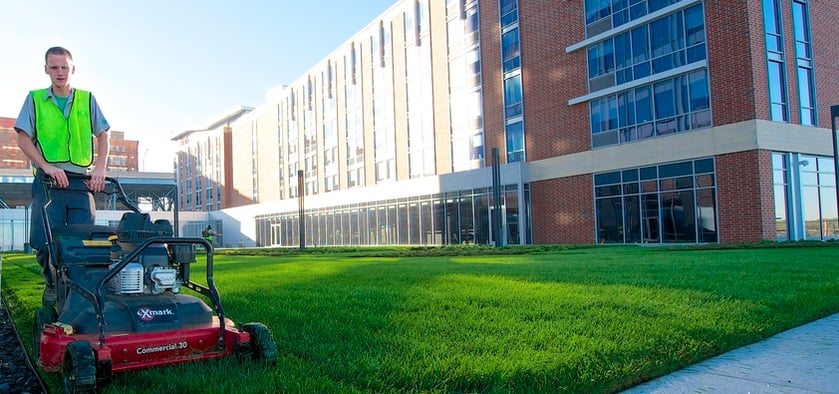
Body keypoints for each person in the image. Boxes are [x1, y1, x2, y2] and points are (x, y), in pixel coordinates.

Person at [14, 46, 111, 306]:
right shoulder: (34, 99)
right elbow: (23, 138)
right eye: (54, 67)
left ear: (73, 69)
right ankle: (51, 285)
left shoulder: (87, 99)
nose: (59, 72)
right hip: (48, 182)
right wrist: (46, 166)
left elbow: (103, 134)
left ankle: (79, 296)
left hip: (81, 182)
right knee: (44, 242)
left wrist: (100, 168)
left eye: (64, 67)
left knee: (85, 242)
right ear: (46, 69)